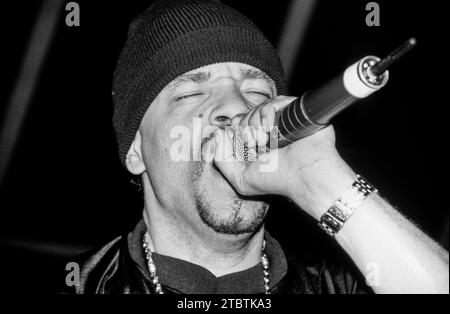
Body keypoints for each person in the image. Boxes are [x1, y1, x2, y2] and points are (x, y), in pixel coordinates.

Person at [61, 0, 449, 294]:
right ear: (136, 150)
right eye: (192, 92)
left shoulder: (351, 283)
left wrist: (322, 181)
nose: (236, 107)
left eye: (257, 91)